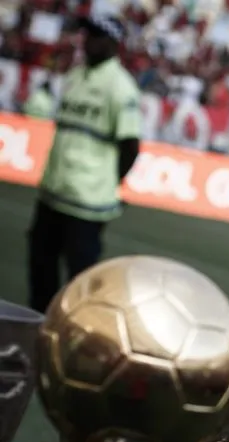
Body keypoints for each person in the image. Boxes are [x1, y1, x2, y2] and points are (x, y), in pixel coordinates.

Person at [28, 14, 140, 313]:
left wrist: (108, 183)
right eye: (86, 34)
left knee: (79, 281)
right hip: (52, 193)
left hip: (88, 204)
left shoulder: (121, 87)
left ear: (113, 44)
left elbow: (131, 145)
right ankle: (38, 330)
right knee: (40, 270)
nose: (87, 40)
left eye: (96, 35)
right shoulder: (74, 76)